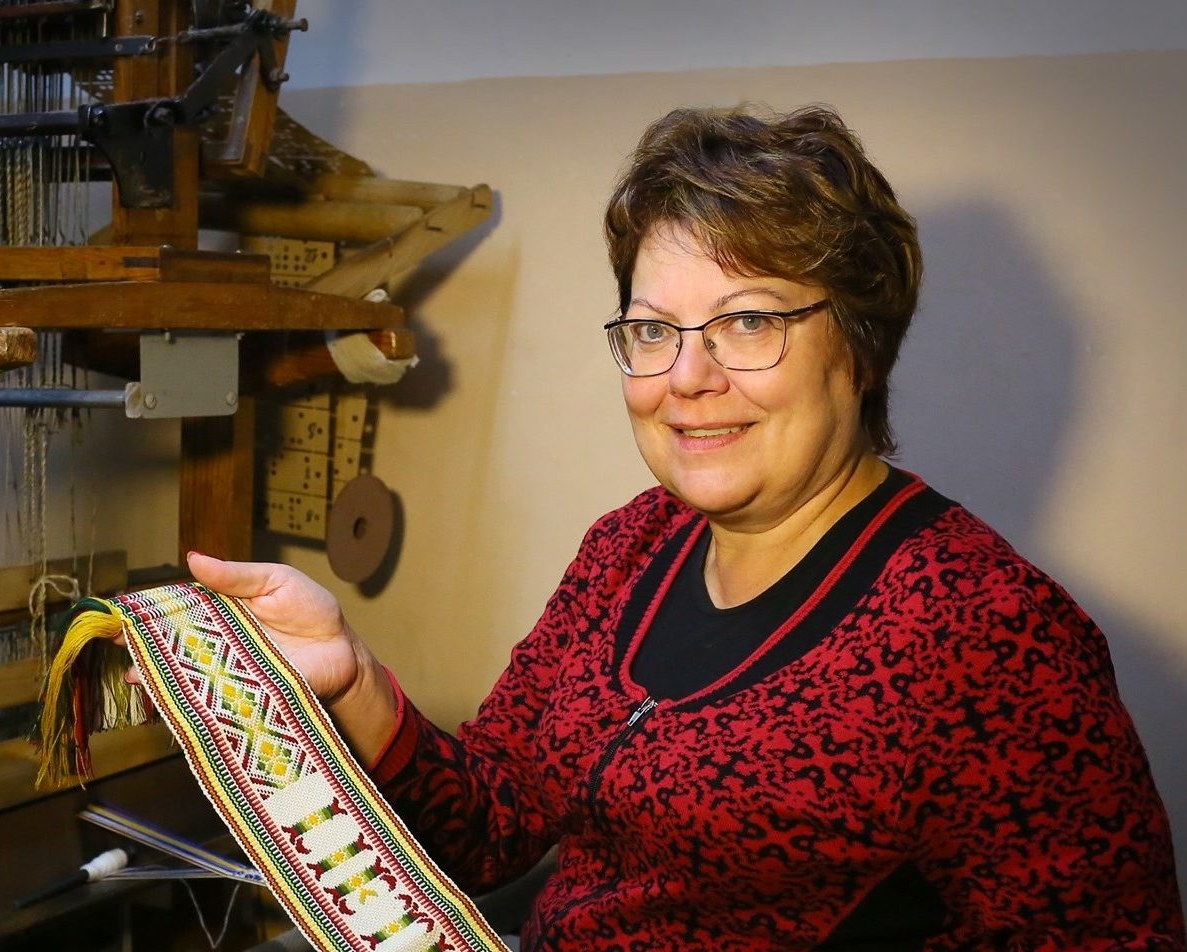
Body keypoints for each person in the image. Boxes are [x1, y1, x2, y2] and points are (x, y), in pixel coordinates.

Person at [186, 105, 1186, 949]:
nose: (685, 378)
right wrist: (354, 679)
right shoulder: (632, 546)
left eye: (748, 322)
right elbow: (492, 828)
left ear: (860, 345)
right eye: (653, 329)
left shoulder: (992, 635)